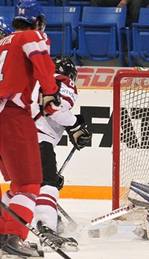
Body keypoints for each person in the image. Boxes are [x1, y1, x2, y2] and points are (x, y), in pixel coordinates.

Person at [0, 0, 61, 257]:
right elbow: (40, 59)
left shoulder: (3, 42)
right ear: (38, 21)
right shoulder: (31, 36)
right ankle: (12, 237)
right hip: (11, 114)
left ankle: (5, 231)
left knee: (17, 185)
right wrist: (50, 91)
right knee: (28, 184)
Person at [30, 56, 92, 250]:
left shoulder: (33, 79)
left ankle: (17, 228)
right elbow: (53, 109)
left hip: (12, 135)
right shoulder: (64, 81)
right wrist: (76, 124)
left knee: (26, 186)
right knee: (48, 184)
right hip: (36, 138)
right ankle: (46, 229)